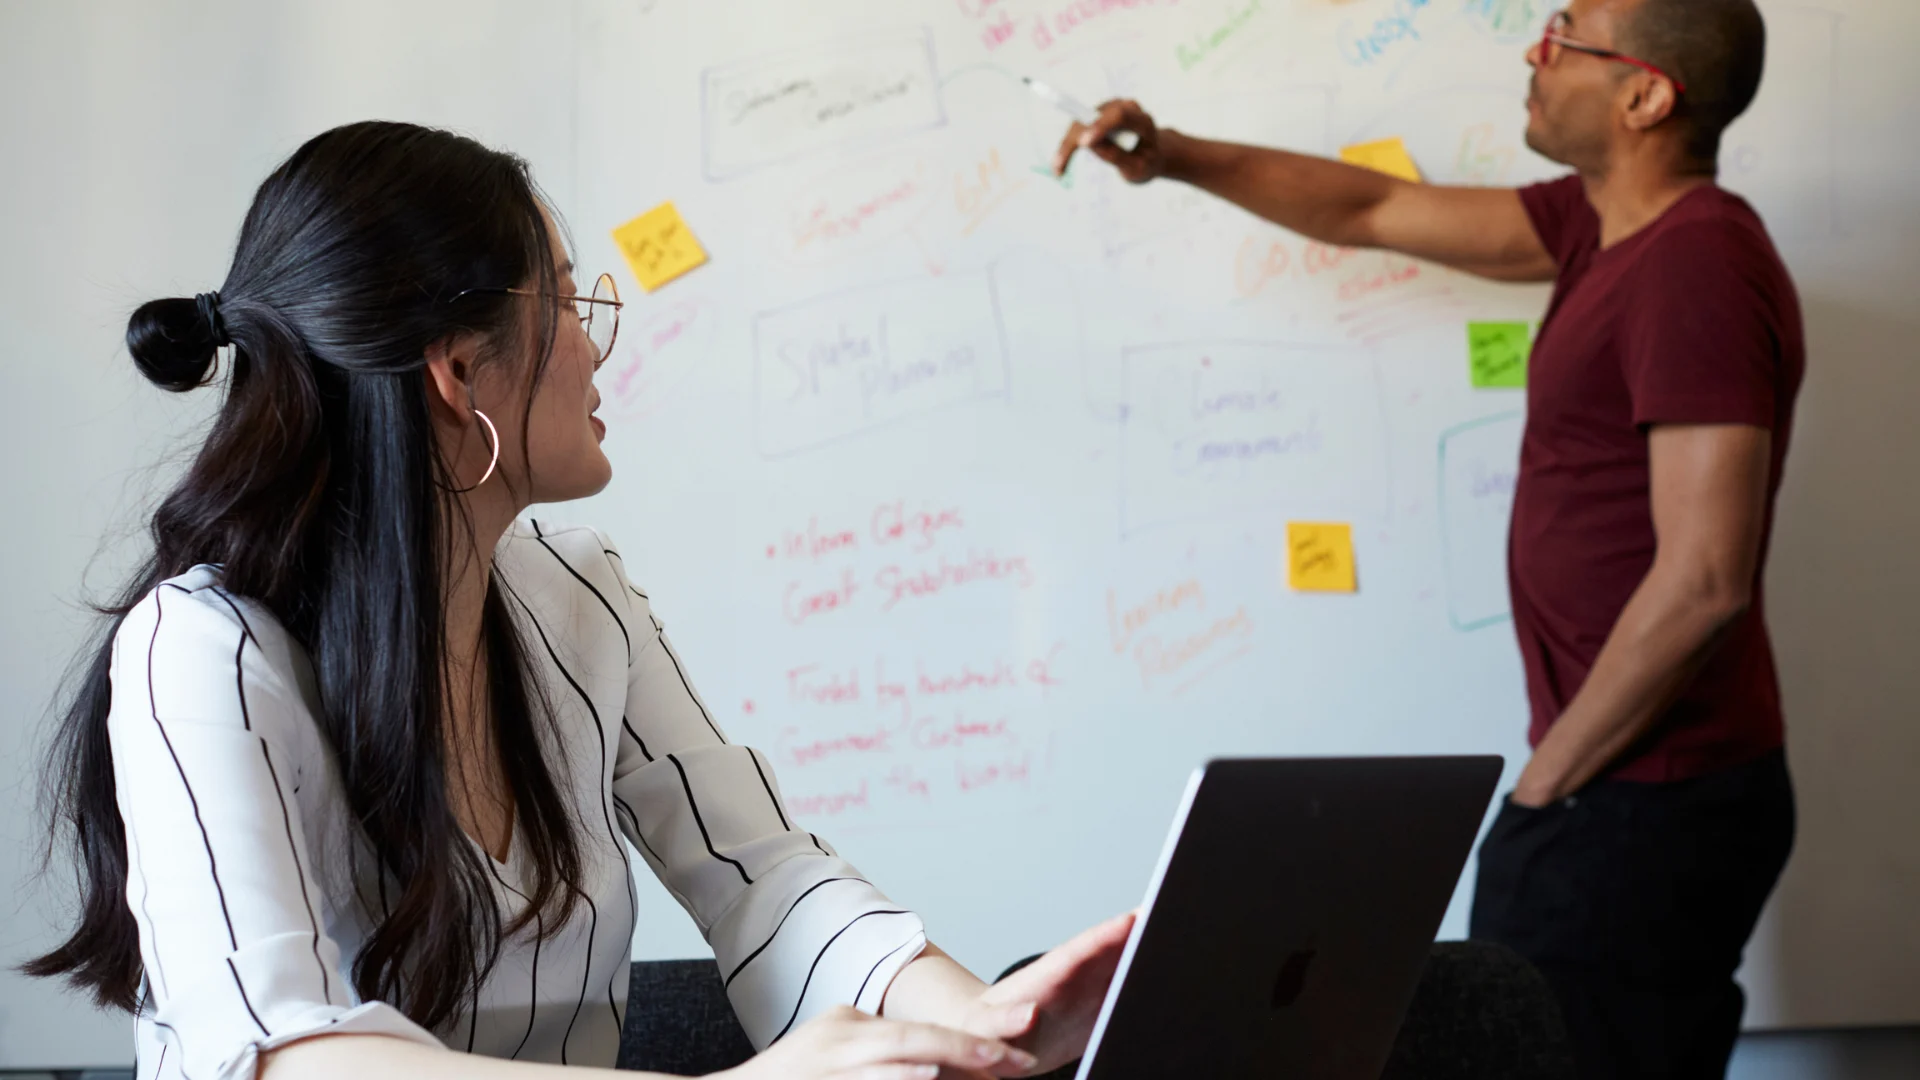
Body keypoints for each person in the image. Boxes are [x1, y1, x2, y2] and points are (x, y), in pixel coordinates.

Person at [25, 120, 1132, 1080]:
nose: (597, 347)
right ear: (459, 372)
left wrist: (985, 1024)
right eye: (566, 300)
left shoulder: (579, 595)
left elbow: (765, 881)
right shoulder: (207, 649)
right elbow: (285, 1053)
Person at [1053, 1, 1798, 1076]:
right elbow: (1372, 207)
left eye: (1567, 38)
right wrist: (1171, 155)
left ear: (1646, 94)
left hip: (1641, 801)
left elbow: (1704, 583)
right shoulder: (1602, 228)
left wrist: (1546, 785)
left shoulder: (1697, 266)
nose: (1534, 56)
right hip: (1617, 789)